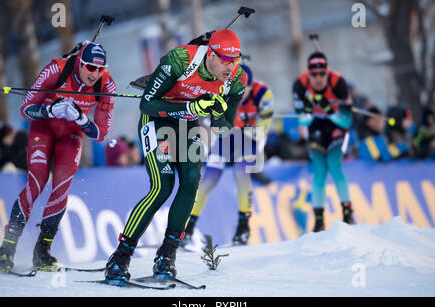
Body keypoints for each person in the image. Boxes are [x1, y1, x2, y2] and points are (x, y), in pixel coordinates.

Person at [104, 29, 247, 284]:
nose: (231, 66)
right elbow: (147, 104)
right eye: (225, 60)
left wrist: (217, 112)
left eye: (235, 60)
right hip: (157, 121)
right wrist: (191, 106)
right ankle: (120, 257)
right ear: (210, 55)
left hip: (187, 126)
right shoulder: (180, 60)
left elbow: (224, 128)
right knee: (162, 187)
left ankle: (167, 256)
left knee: (191, 181)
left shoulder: (236, 79)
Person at [0, 41, 116, 272]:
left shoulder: (106, 84)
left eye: (100, 69)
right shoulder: (56, 70)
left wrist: (81, 119)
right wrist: (49, 110)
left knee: (61, 185)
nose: (95, 73)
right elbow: (26, 107)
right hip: (44, 129)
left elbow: (101, 134)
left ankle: (42, 251)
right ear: (80, 63)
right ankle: (6, 250)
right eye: (90, 67)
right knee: (37, 181)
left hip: (71, 136)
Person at [182, 64, 273, 246]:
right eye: (235, 89)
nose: (240, 94)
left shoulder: (263, 94)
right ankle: (187, 228)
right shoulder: (221, 89)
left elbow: (263, 131)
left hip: (248, 141)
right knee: (209, 178)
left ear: (251, 86)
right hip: (225, 139)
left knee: (241, 174)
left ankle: (243, 228)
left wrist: (250, 135)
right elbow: (208, 121)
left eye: (244, 90)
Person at [293, 51, 354, 232]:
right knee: (319, 170)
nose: (318, 78)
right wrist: (309, 112)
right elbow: (302, 122)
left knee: (334, 165)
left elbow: (347, 121)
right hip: (316, 128)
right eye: (314, 74)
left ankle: (348, 215)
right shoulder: (300, 85)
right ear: (308, 73)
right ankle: (319, 221)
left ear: (327, 72)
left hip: (337, 128)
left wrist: (329, 110)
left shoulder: (338, 83)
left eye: (322, 73)